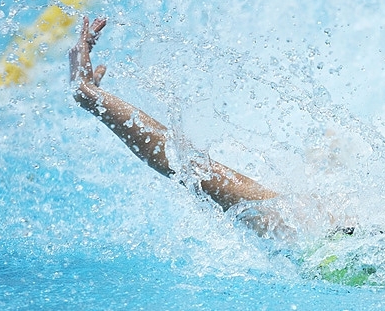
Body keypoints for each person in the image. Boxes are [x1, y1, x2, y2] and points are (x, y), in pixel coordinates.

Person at [69, 16, 285, 236]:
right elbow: (186, 164)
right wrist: (91, 97)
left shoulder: (297, 222)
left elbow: (181, 163)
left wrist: (90, 95)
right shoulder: (298, 218)